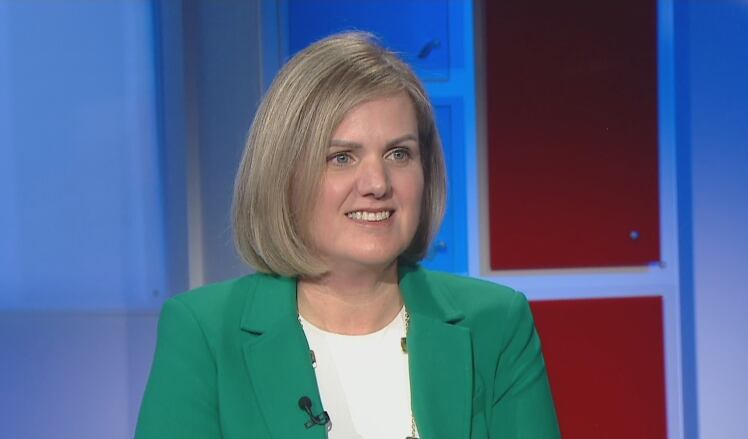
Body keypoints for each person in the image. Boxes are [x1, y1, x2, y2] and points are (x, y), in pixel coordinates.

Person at [135, 32, 559, 439]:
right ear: (284, 177)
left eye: (399, 154)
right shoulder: (205, 333)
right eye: (342, 157)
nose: (377, 182)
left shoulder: (496, 323)